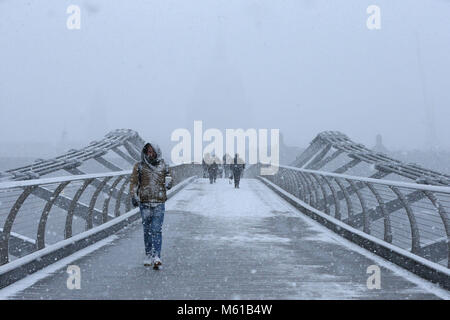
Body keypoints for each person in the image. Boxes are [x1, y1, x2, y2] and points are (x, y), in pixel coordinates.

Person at [130, 142, 172, 268]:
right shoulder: (139, 166)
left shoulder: (164, 165)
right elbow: (134, 182)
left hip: (158, 202)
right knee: (147, 231)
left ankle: (157, 256)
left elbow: (170, 179)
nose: (150, 154)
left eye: (152, 151)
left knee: (156, 230)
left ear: (157, 152)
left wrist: (169, 182)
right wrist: (134, 195)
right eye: (148, 151)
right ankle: (148, 254)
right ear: (145, 152)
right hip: (145, 203)